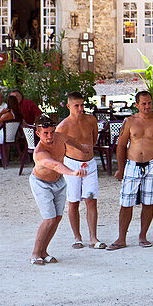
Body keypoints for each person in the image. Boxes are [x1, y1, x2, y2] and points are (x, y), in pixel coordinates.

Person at [109, 91, 153, 250]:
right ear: (136, 104)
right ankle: (121, 238)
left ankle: (143, 235)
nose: (147, 106)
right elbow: (121, 146)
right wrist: (121, 169)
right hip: (132, 164)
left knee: (148, 202)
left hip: (152, 164)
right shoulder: (129, 121)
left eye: (149, 103)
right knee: (126, 202)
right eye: (143, 104)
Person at [28, 115, 90, 265]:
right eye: (45, 133)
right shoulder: (40, 152)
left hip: (59, 182)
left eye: (52, 132)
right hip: (42, 184)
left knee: (57, 218)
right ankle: (35, 253)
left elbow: (70, 140)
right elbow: (55, 165)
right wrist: (73, 172)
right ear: (38, 134)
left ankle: (44, 251)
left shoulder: (59, 137)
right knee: (49, 219)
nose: (50, 136)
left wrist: (82, 148)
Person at [57, 92, 105, 250]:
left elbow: (94, 138)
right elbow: (56, 148)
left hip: (89, 165)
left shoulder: (91, 119)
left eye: (82, 105)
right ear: (69, 106)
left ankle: (93, 237)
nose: (80, 108)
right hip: (72, 166)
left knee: (91, 200)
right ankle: (77, 237)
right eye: (76, 106)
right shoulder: (63, 126)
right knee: (74, 202)